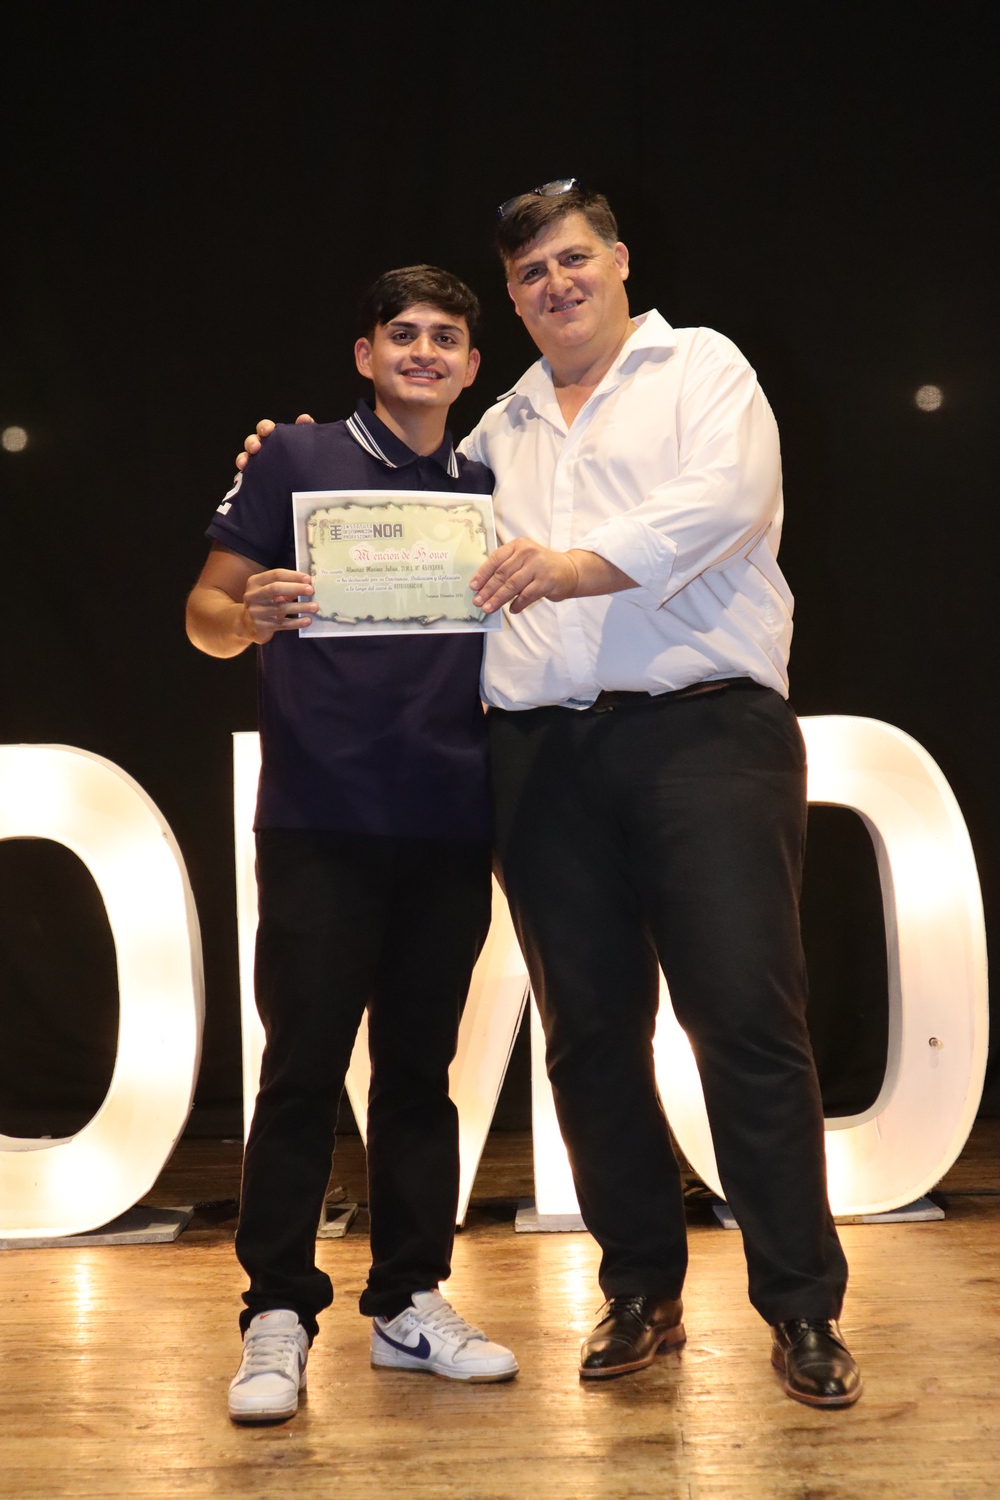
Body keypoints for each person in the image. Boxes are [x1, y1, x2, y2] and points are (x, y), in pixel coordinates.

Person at [239, 183, 862, 1409]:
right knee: (587, 1034)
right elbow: (400, 518)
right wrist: (291, 463)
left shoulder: (702, 368)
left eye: (573, 259)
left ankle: (801, 1306)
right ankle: (639, 1292)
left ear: (619, 260)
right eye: (529, 274)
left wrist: (575, 567)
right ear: (512, 305)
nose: (554, 284)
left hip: (703, 733)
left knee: (745, 1021)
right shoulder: (497, 431)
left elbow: (725, 504)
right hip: (537, 754)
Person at [187, 264, 518, 1426]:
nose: (425, 352)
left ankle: (409, 1301)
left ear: (472, 366)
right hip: (318, 818)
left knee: (420, 1077)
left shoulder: (491, 481)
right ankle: (276, 1312)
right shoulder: (293, 457)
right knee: (301, 1070)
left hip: (449, 820)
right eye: (403, 334)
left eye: (446, 338)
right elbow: (204, 617)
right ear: (366, 354)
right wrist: (248, 617)